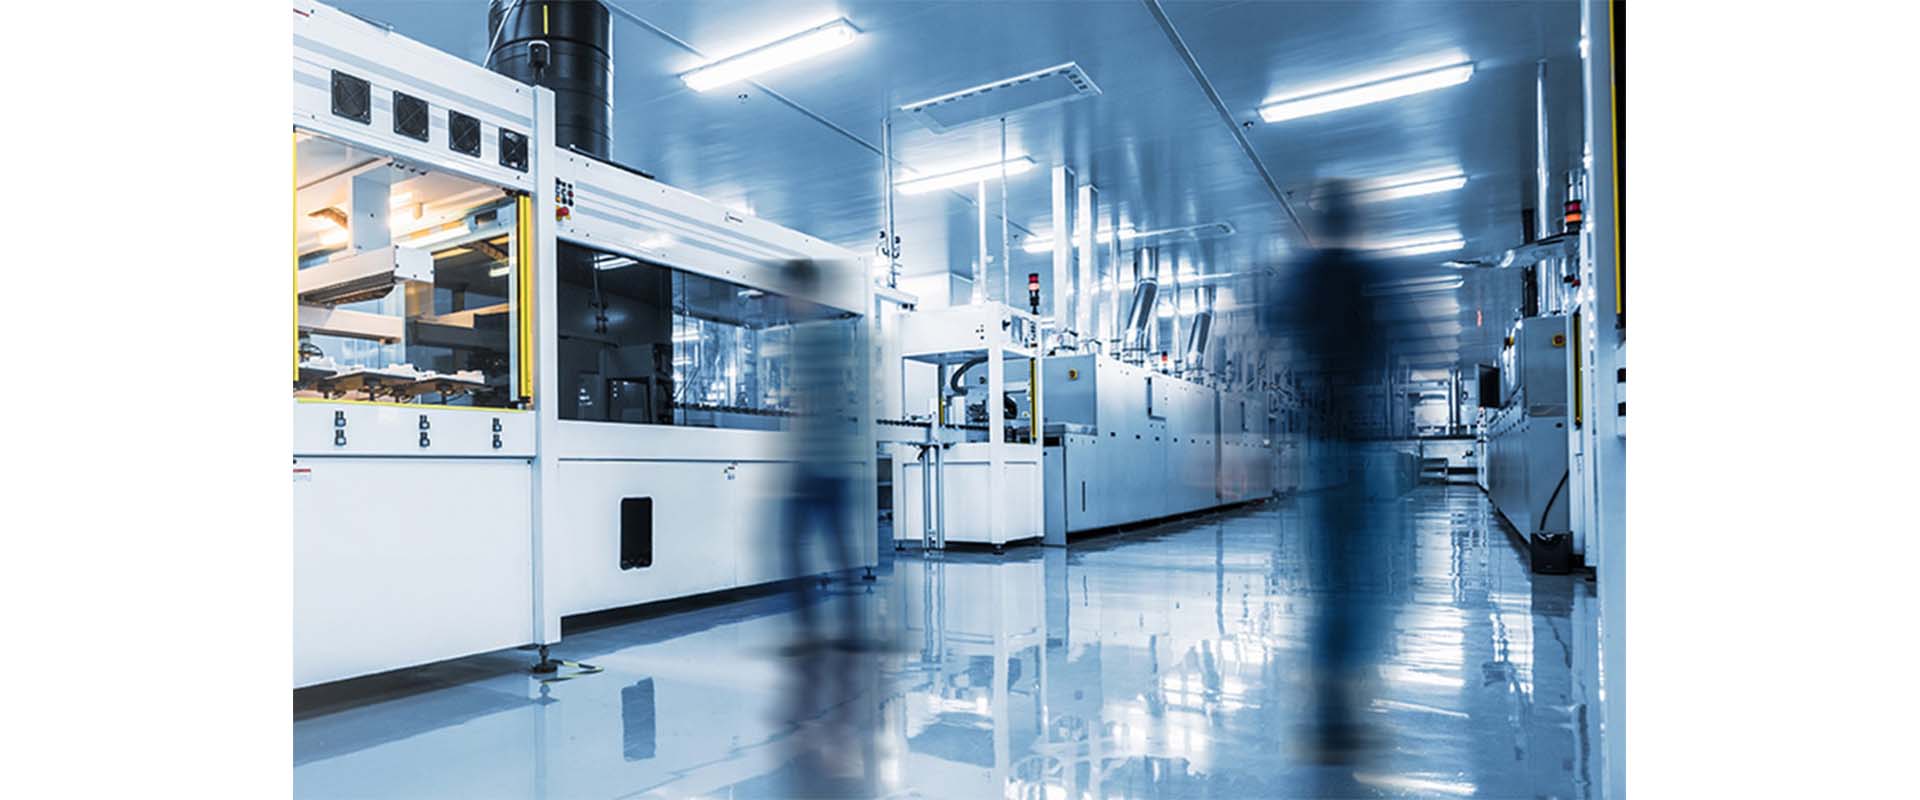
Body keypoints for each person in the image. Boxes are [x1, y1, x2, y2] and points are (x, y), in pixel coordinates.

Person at [1264, 181, 1394, 766]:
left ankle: (1332, 707)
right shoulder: (1365, 275)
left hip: (1320, 445)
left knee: (1332, 580)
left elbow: (1272, 324)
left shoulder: (1309, 275)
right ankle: (1338, 708)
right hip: (1359, 443)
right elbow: (1393, 344)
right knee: (1357, 578)